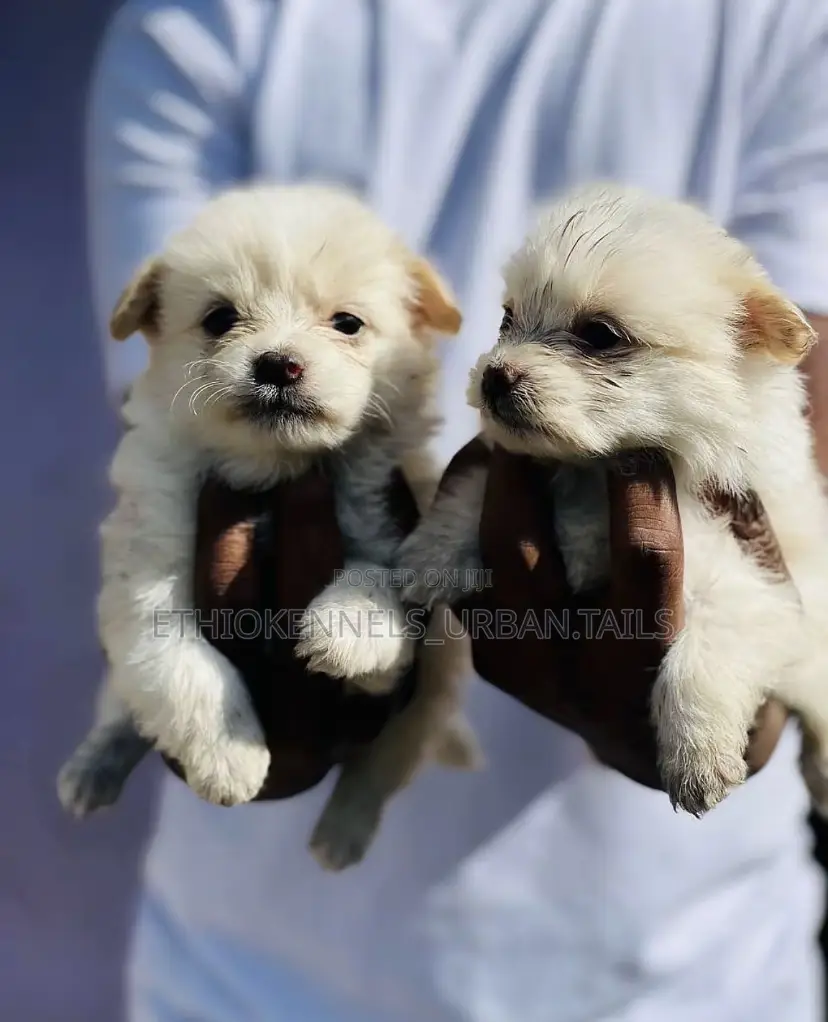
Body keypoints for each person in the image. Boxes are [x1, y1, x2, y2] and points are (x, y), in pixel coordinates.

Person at [88, 1, 828, 1019]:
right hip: (245, 978)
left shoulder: (784, 25)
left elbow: (783, 521)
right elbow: (183, 443)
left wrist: (730, 709)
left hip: (685, 978)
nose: (510, 360)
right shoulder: (207, 23)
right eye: (513, 321)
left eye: (601, 337)